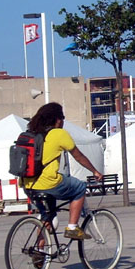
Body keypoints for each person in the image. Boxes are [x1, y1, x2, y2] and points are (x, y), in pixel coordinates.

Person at [24, 102, 103, 240]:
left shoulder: (31, 134)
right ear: (57, 119)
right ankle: (72, 227)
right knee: (79, 187)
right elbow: (78, 156)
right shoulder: (58, 134)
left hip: (28, 184)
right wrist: (95, 171)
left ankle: (40, 251)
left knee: (46, 217)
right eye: (63, 118)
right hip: (48, 183)